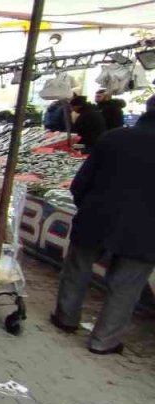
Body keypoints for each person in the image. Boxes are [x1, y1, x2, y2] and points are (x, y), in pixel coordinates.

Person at [50, 97, 155, 355]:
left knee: (78, 268)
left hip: (97, 217)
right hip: (145, 231)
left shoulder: (113, 138)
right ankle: (103, 341)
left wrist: (87, 205)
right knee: (126, 286)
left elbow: (81, 181)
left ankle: (66, 318)